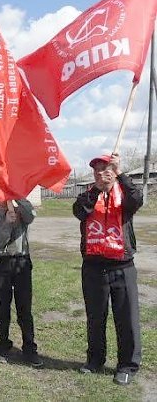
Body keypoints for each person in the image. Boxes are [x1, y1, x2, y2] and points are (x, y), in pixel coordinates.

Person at [73, 153, 143, 385]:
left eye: (106, 169)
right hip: (93, 267)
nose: (101, 173)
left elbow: (138, 198)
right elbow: (79, 211)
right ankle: (95, 360)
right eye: (97, 170)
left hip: (122, 265)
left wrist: (121, 174)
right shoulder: (87, 195)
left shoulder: (125, 196)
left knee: (127, 318)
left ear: (114, 171)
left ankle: (127, 365)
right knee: (95, 317)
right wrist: (97, 189)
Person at [0, 198, 42, 367]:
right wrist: (6, 223)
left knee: (24, 307)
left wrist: (17, 196)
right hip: (3, 262)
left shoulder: (22, 213)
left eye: (6, 197)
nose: (3, 201)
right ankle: (3, 344)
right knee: (2, 306)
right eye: (0, 198)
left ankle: (29, 348)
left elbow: (32, 215)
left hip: (21, 263)